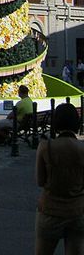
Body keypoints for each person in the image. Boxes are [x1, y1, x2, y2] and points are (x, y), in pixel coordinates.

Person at [35, 103, 84, 255]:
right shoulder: (82, 149)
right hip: (77, 210)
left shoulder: (45, 147)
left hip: (50, 210)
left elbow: (40, 181)